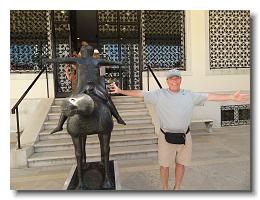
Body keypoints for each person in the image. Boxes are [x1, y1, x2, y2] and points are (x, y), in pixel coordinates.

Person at [109, 69, 250, 190]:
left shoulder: (189, 95)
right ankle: (165, 189)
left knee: (181, 164)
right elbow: (140, 93)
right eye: (171, 79)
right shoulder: (159, 94)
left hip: (185, 137)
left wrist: (231, 96)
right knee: (164, 166)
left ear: (180, 80)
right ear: (167, 81)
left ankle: (177, 188)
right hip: (166, 137)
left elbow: (210, 96)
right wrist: (121, 91)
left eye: (177, 79)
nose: (174, 81)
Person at [48, 45, 126, 134]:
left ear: (82, 52)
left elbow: (61, 60)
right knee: (108, 100)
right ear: (92, 53)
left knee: (70, 102)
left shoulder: (78, 60)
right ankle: (118, 118)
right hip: (95, 87)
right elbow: (110, 62)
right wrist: (120, 63)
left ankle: (59, 125)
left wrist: (50, 60)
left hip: (83, 87)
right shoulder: (96, 61)